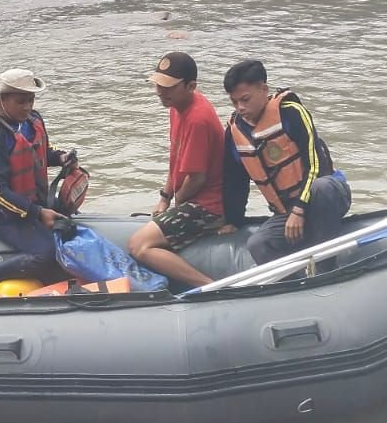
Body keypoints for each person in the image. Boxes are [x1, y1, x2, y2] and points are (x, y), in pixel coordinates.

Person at [0, 69, 78, 291]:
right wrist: (38, 213)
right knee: (45, 253)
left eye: (30, 100)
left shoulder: (32, 120)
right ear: (2, 99)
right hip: (0, 213)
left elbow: (41, 154)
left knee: (69, 231)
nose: (27, 107)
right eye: (20, 101)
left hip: (30, 203)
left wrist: (61, 158)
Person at [221, 59, 352, 265]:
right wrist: (233, 221)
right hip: (286, 211)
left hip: (323, 195)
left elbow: (315, 164)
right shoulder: (234, 132)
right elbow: (235, 181)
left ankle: (325, 268)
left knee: (322, 186)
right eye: (234, 102)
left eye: (245, 99)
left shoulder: (291, 112)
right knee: (258, 243)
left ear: (263, 89)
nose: (240, 107)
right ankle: (296, 282)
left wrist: (300, 209)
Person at [126, 52, 228, 288]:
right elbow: (176, 159)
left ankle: (210, 286)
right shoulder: (176, 107)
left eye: (168, 87)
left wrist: (178, 201)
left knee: (138, 245)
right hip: (191, 194)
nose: (161, 92)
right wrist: (165, 197)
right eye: (158, 85)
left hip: (208, 205)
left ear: (191, 86)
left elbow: (196, 178)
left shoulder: (197, 119)